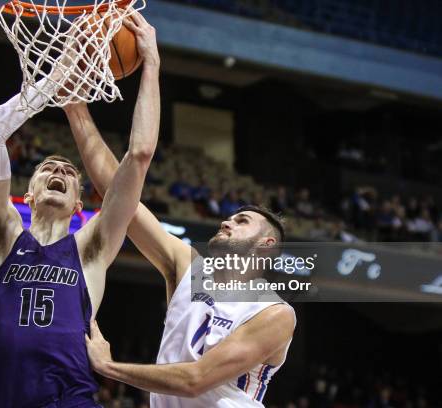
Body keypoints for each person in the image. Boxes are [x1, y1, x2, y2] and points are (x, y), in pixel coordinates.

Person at [67, 17, 294, 408]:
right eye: (231, 216)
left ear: (265, 244)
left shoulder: (275, 313)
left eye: (242, 222)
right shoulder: (189, 268)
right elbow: (117, 189)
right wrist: (75, 105)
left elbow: (195, 380)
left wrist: (109, 366)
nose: (226, 221)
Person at [0, 12, 159, 408]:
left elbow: (140, 154)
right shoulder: (2, 238)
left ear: (80, 204)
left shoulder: (91, 248)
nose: (59, 169)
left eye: (68, 171)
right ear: (27, 196)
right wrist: (53, 82)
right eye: (47, 168)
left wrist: (152, 66)